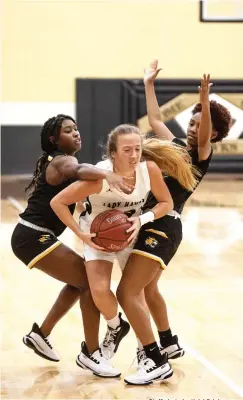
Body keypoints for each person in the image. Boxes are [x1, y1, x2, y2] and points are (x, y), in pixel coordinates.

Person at [50, 123, 198, 383]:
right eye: (127, 150)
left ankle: (146, 353)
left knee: (134, 294)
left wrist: (143, 219)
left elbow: (167, 203)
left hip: (129, 233)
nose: (134, 155)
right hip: (97, 235)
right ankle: (116, 326)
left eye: (138, 149)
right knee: (98, 289)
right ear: (113, 154)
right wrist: (79, 233)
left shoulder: (148, 169)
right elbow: (58, 202)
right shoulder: (98, 178)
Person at [115, 61, 232, 384]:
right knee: (148, 289)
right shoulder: (176, 146)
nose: (195, 129)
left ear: (214, 134)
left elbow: (206, 130)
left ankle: (153, 360)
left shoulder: (201, 155)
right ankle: (168, 342)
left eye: (201, 125)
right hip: (147, 221)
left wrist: (205, 100)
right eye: (192, 123)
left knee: (127, 292)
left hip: (165, 225)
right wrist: (148, 84)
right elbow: (154, 119)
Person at [11, 114, 135, 378]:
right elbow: (79, 171)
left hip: (32, 236)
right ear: (55, 139)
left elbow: (75, 192)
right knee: (90, 283)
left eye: (76, 128)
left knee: (79, 282)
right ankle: (91, 354)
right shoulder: (62, 161)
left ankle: (40, 334)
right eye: (68, 131)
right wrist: (107, 173)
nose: (76, 133)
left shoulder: (55, 161)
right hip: (33, 236)